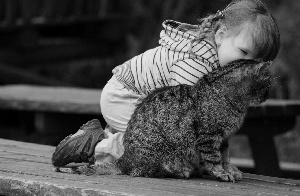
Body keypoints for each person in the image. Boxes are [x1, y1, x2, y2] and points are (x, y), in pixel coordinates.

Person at [52, 0, 280, 167]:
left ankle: (103, 137)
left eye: (256, 61)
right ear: (220, 35)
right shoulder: (198, 62)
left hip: (135, 95)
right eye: (243, 52)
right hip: (124, 95)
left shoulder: (217, 59)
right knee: (156, 148)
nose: (247, 65)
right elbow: (182, 115)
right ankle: (95, 147)